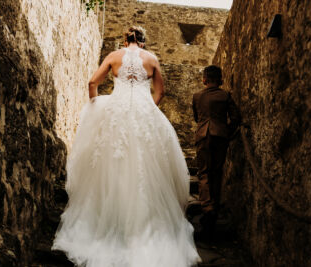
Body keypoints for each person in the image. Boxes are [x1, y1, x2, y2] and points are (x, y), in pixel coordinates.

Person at [52, 26, 200, 267]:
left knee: (108, 165)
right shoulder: (152, 59)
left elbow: (92, 82)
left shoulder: (113, 57)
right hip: (143, 114)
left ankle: (103, 223)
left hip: (115, 112)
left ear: (125, 40)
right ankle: (144, 230)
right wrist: (148, 108)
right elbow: (160, 92)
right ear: (143, 42)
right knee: (146, 169)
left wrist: (95, 105)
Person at [192, 65, 241, 240]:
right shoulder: (225, 95)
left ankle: (207, 208)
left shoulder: (197, 96)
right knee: (217, 173)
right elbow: (236, 118)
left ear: (204, 79)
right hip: (221, 136)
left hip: (203, 136)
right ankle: (215, 206)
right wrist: (227, 131)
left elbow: (197, 117)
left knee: (204, 173)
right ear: (221, 79)